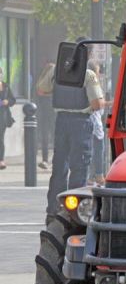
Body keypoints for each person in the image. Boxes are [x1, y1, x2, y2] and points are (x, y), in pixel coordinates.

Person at [45, 43, 109, 215]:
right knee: (79, 166)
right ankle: (74, 211)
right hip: (81, 123)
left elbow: (41, 89)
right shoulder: (88, 75)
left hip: (61, 121)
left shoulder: (57, 71)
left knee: (59, 166)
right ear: (86, 54)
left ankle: (53, 207)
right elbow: (96, 104)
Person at [35, 61, 56, 170]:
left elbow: (39, 92)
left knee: (47, 135)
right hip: (49, 111)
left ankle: (46, 159)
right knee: (50, 135)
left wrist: (45, 94)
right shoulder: (48, 80)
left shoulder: (41, 80)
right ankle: (47, 160)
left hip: (45, 111)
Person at [0, 66, 17, 170]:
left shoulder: (6, 86)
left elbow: (13, 100)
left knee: (0, 139)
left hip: (3, 117)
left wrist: (7, 102)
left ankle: (1, 160)